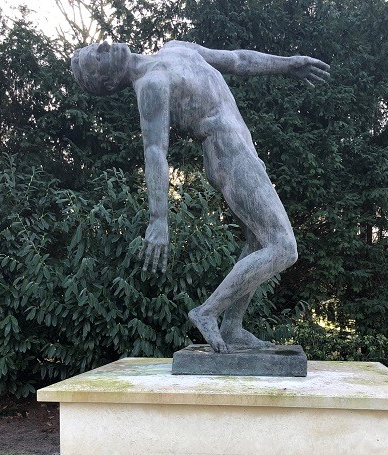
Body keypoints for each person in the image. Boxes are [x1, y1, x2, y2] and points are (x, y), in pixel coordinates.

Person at [71, 40, 330, 353]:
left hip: (243, 150)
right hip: (227, 154)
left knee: (258, 243)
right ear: (108, 81)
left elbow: (237, 59)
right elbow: (155, 150)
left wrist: (288, 63)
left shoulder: (174, 48)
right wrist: (159, 219)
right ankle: (207, 312)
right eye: (95, 57)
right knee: (284, 248)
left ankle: (232, 327)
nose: (102, 46)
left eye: (95, 47)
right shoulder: (151, 85)